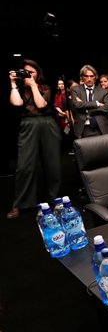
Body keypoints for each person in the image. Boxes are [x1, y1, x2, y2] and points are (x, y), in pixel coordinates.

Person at [6, 59, 61, 219]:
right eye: (26, 72)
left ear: (38, 73)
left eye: (32, 72)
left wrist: (33, 86)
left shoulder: (45, 88)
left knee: (53, 164)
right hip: (27, 124)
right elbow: (17, 103)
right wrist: (13, 84)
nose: (28, 75)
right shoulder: (19, 89)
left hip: (47, 123)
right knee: (24, 166)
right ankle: (20, 203)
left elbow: (41, 104)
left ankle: (54, 199)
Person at [70, 65, 108, 138]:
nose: (89, 79)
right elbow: (77, 105)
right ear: (82, 77)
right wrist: (96, 104)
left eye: (91, 76)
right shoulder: (75, 90)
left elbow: (107, 107)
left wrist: (87, 108)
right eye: (86, 76)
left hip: (101, 128)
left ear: (95, 77)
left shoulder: (103, 91)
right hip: (83, 128)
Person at [53, 77, 74, 153]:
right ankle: (66, 148)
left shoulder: (69, 93)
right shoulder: (57, 94)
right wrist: (61, 112)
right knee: (62, 133)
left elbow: (71, 106)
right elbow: (55, 105)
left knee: (68, 132)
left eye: (62, 84)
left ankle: (72, 148)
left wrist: (65, 114)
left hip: (68, 117)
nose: (61, 85)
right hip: (60, 117)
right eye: (59, 84)